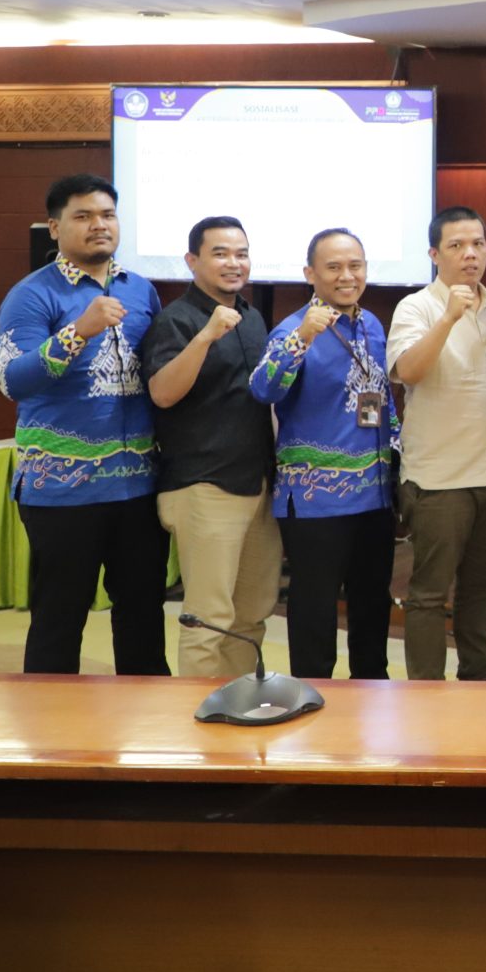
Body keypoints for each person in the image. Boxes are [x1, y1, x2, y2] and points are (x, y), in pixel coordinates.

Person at [0, 173, 168, 675]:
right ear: (55, 228)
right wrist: (78, 332)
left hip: (137, 488)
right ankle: (49, 723)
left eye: (107, 215)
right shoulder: (31, 295)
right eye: (83, 216)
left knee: (143, 617)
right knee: (59, 620)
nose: (99, 225)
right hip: (61, 491)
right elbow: (12, 380)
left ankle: (146, 717)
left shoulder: (141, 290)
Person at [248, 227, 395, 680]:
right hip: (316, 501)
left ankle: (372, 690)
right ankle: (312, 693)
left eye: (355, 266)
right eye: (333, 267)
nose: (347, 276)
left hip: (375, 495)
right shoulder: (293, 329)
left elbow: (381, 399)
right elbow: (263, 389)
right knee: (315, 608)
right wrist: (301, 339)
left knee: (372, 603)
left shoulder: (371, 325)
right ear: (310, 274)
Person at [139, 215, 278, 682]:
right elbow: (162, 393)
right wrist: (205, 336)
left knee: (252, 613)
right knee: (208, 618)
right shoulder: (176, 320)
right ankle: (195, 716)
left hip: (257, 482)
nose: (234, 263)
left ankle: (238, 703)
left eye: (242, 253)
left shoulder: (252, 317)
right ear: (192, 260)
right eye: (220, 253)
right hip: (204, 485)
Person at [386, 206, 486, 683]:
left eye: (478, 244)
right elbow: (408, 372)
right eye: (457, 246)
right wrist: (447, 318)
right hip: (439, 478)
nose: (470, 254)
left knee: (481, 588)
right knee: (428, 593)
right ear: (434, 254)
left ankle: (479, 678)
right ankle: (426, 693)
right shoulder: (417, 307)